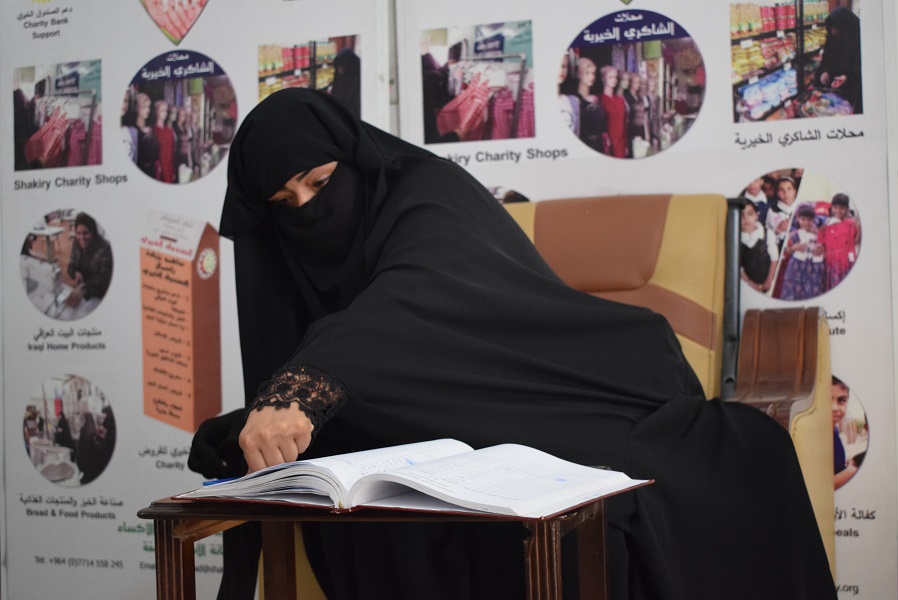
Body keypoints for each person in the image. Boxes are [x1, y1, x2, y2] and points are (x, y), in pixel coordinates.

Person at [188, 88, 836, 600]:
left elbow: (415, 294)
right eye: (285, 201)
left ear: (355, 158)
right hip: (414, 436)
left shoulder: (427, 191)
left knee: (636, 494)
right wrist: (264, 420)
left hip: (552, 389)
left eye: (321, 182)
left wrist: (302, 387)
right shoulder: (292, 256)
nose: (307, 207)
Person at [814, 7, 862, 113]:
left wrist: (847, 77)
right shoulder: (832, 36)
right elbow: (827, 57)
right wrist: (824, 71)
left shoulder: (858, 37)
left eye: (836, 28)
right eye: (830, 28)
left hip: (851, 87)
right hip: (833, 85)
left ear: (845, 27)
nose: (833, 32)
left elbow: (859, 64)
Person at [64, 213, 113, 309]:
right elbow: (70, 266)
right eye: (78, 233)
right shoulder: (76, 243)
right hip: (81, 293)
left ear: (93, 232)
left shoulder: (105, 248)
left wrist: (84, 288)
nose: (82, 238)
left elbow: (104, 278)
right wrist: (75, 273)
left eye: (86, 233)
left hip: (97, 296)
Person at [778, 204, 824, 301]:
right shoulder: (794, 234)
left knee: (811, 292)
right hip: (796, 266)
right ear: (798, 219)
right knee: (793, 291)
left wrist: (820, 248)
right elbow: (787, 250)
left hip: (813, 267)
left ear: (813, 220)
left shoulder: (818, 234)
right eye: (803, 219)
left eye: (809, 220)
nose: (806, 222)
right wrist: (794, 248)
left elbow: (824, 248)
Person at [819, 193, 860, 293]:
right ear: (831, 208)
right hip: (831, 261)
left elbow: (854, 241)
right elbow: (822, 241)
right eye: (835, 207)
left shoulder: (850, 224)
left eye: (842, 208)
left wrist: (858, 226)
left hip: (845, 260)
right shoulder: (827, 224)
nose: (838, 211)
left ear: (847, 209)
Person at [739, 199, 778, 293]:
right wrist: (750, 283)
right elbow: (738, 266)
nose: (745, 218)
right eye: (741, 215)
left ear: (756, 215)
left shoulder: (767, 234)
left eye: (750, 214)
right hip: (747, 284)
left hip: (768, 280)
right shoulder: (736, 239)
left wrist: (769, 281)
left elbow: (774, 258)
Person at [573, 57, 608, 153]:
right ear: (579, 74)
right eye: (587, 73)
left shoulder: (596, 99)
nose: (591, 76)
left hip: (599, 146)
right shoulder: (575, 100)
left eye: (593, 73)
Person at [832, 376, 857, 489]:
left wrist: (844, 462)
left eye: (841, 400)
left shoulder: (834, 430)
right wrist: (853, 469)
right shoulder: (814, 438)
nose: (834, 408)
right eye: (826, 400)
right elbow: (818, 487)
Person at [599, 65, 629, 158]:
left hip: (621, 143)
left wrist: (626, 145)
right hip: (607, 144)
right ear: (604, 79)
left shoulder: (620, 100)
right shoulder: (600, 100)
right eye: (610, 77)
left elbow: (624, 124)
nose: (614, 80)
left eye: (615, 77)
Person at [153, 100, 177, 183]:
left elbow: (172, 153)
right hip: (159, 170)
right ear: (157, 112)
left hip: (169, 168)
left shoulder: (169, 131)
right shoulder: (154, 131)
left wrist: (173, 170)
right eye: (162, 110)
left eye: (166, 110)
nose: (165, 113)